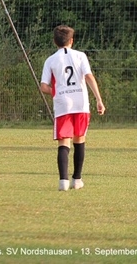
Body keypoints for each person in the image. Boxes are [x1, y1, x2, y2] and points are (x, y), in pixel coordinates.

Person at [40, 25, 105, 191]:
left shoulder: (51, 60)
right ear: (71, 41)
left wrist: (57, 92)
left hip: (63, 103)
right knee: (79, 139)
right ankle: (77, 179)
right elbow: (89, 76)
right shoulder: (80, 56)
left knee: (64, 141)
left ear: (55, 42)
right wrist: (99, 99)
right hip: (81, 102)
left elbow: (43, 86)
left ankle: (63, 181)